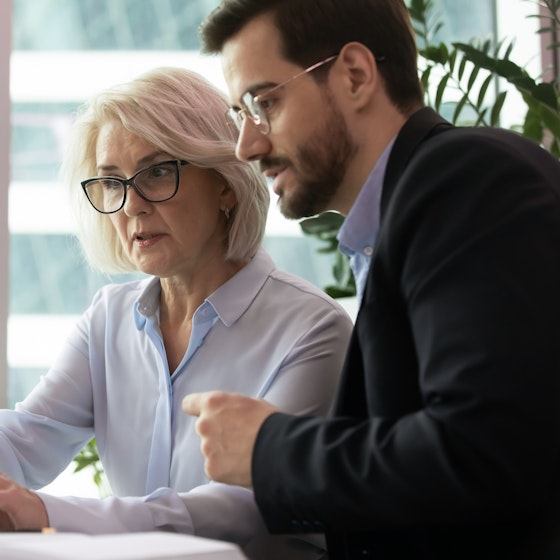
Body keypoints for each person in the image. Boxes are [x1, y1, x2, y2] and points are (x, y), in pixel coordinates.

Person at [182, 1, 560, 558]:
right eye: (243, 114)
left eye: (265, 103)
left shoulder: (464, 182)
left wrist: (269, 451)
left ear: (355, 75)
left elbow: (482, 455)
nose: (248, 145)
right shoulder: (416, 208)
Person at [0, 66, 353, 559]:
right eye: (111, 182)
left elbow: (240, 509)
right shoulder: (109, 318)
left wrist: (47, 514)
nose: (131, 207)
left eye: (158, 171)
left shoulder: (313, 330)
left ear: (225, 183)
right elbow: (25, 440)